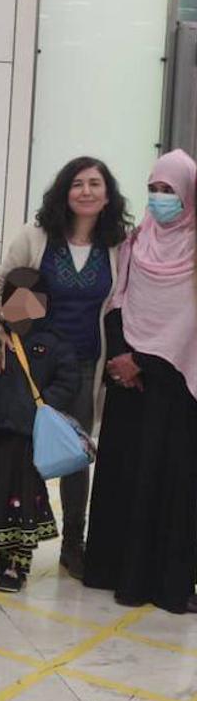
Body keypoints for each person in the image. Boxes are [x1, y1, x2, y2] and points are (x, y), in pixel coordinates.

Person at [0, 157, 129, 580]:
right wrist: (6, 331)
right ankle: (7, 540)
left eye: (95, 184)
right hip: (31, 364)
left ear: (108, 195)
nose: (86, 191)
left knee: (73, 455)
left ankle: (73, 544)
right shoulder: (37, 237)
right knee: (18, 452)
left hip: (86, 364)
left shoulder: (118, 246)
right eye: (77, 184)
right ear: (64, 191)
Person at [84, 149, 197, 614]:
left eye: (168, 191)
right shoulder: (136, 242)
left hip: (176, 387)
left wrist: (146, 365)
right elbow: (118, 301)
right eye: (153, 189)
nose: (158, 198)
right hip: (129, 384)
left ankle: (169, 584)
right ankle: (118, 574)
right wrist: (122, 357)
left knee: (172, 486)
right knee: (128, 477)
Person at [0, 269, 78, 592]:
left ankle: (16, 565)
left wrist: (44, 407)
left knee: (22, 502)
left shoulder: (53, 343)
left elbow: (68, 381)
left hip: (29, 439)